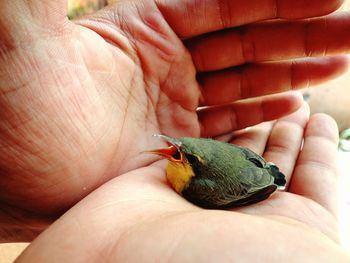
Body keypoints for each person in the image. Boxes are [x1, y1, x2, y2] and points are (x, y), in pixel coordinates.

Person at [0, 0, 349, 261]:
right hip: (249, 163)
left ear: (195, 165)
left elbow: (243, 191)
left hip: (254, 176)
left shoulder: (198, 187)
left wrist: (268, 182)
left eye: (182, 153)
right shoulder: (187, 162)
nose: (173, 149)